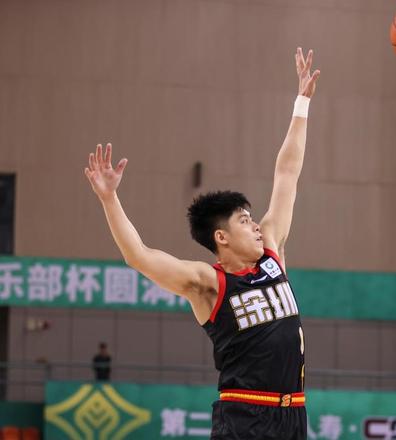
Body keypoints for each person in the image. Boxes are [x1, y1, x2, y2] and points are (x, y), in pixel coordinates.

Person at [83, 47, 320, 440]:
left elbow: (287, 172)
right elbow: (138, 256)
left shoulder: (272, 253)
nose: (256, 226)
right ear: (221, 237)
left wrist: (302, 103)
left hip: (294, 414)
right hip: (244, 415)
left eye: (252, 219)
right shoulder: (209, 283)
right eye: (244, 221)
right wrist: (109, 198)